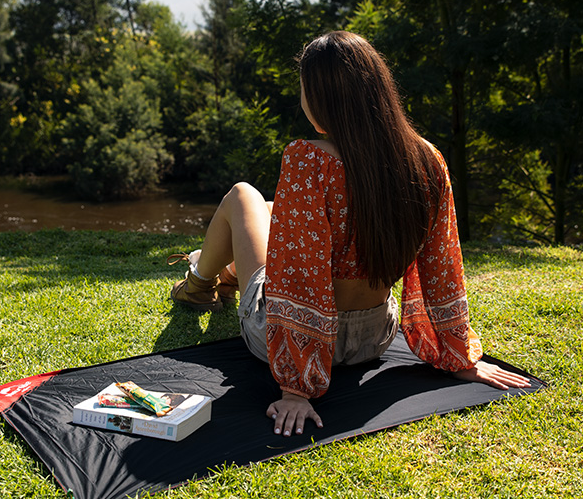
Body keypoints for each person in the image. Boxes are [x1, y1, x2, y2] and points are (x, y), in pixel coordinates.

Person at [169, 31, 532, 438]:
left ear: (321, 98)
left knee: (242, 197)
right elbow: (441, 264)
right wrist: (460, 357)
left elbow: (299, 277)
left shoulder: (309, 160)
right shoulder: (427, 159)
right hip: (375, 337)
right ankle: (224, 274)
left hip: (306, 346)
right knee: (274, 212)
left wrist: (296, 388)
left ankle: (199, 284)